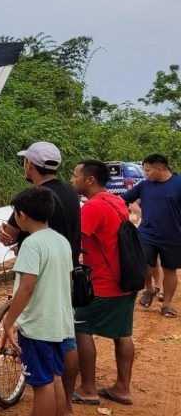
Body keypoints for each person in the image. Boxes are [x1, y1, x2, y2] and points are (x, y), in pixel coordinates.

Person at [0, 141, 81, 412]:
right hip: (60, 311)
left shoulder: (32, 207)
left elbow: (27, 288)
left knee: (42, 382)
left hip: (38, 322)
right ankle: (64, 406)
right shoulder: (70, 195)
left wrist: (10, 322)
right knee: (54, 373)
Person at [69, 160, 137, 406]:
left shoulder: (92, 208)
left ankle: (88, 388)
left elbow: (75, 241)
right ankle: (122, 388)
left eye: (75, 175)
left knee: (81, 328)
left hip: (103, 283)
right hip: (126, 279)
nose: (71, 180)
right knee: (123, 333)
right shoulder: (116, 201)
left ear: (89, 180)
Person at [122, 153, 181, 318]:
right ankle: (149, 289)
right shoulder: (144, 186)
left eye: (148, 170)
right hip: (147, 233)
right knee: (143, 263)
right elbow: (123, 200)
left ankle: (167, 304)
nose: (145, 174)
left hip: (174, 236)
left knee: (170, 270)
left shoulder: (179, 183)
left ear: (160, 168)